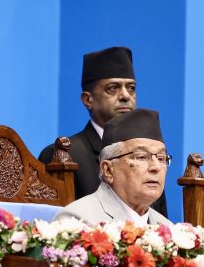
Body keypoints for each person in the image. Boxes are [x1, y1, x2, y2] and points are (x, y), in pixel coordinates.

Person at [38, 46, 168, 218]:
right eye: (113, 88)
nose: (125, 96)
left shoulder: (153, 159)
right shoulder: (65, 154)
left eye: (131, 88)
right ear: (88, 99)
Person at [54, 108, 172, 226]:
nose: (156, 167)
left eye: (161, 158)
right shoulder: (77, 221)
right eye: (141, 157)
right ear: (108, 170)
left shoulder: (168, 228)